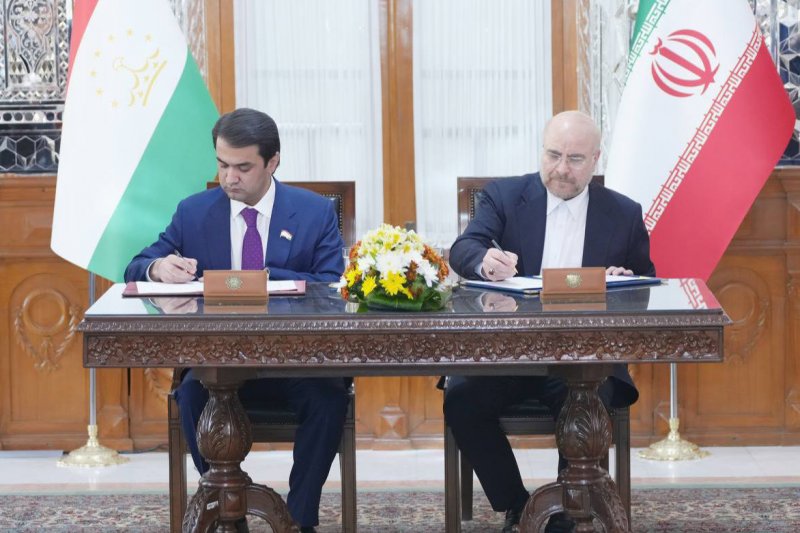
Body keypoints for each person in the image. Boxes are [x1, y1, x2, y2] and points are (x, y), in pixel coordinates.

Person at [125, 108, 347, 533]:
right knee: (191, 396)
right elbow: (137, 265)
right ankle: (229, 513)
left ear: (272, 161)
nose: (229, 178)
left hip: (295, 361)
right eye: (222, 165)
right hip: (218, 364)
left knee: (328, 398)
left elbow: (331, 286)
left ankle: (298, 519)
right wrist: (158, 268)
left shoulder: (314, 212)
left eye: (243, 167)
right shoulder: (193, 212)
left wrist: (262, 279)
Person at [445, 110, 656, 533]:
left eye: (574, 159)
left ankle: (567, 514)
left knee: (584, 405)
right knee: (461, 400)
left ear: (595, 159)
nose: (561, 169)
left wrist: (624, 283)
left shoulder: (623, 213)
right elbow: (464, 248)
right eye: (553, 155)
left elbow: (645, 285)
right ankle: (519, 506)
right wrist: (484, 261)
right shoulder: (505, 196)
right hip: (509, 353)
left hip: (586, 359)